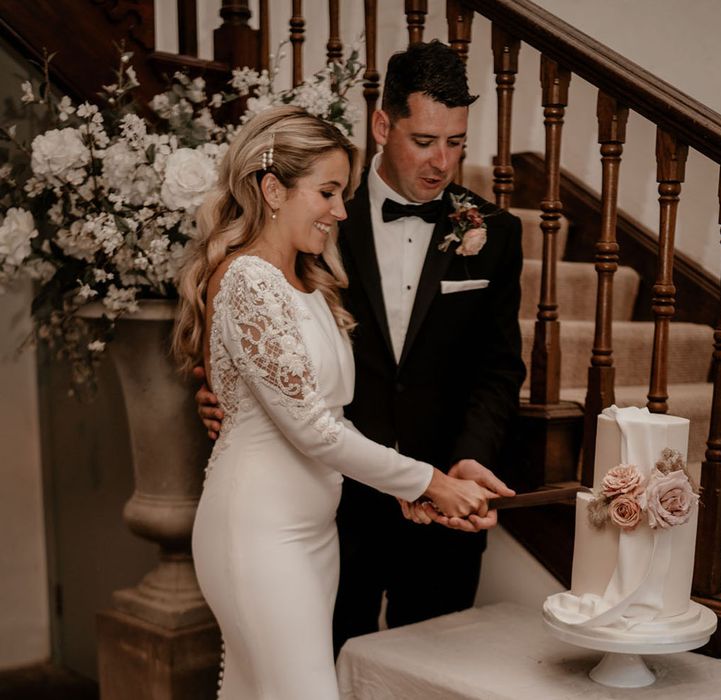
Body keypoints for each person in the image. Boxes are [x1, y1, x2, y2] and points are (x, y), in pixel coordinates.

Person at [196, 41, 526, 656]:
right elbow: (253, 326)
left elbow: (498, 366)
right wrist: (227, 392)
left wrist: (467, 461)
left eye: (456, 142)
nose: (441, 162)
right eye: (425, 140)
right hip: (332, 503)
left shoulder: (495, 232)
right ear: (382, 124)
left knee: (430, 681)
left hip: (439, 508)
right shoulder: (313, 220)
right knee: (316, 663)